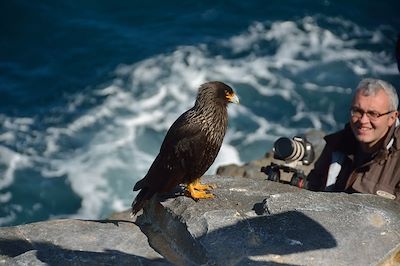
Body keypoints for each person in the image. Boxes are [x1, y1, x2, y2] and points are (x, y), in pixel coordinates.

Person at [307, 78, 400, 202]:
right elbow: (312, 190)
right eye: (357, 111)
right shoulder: (336, 145)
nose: (363, 121)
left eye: (373, 114)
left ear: (392, 118)